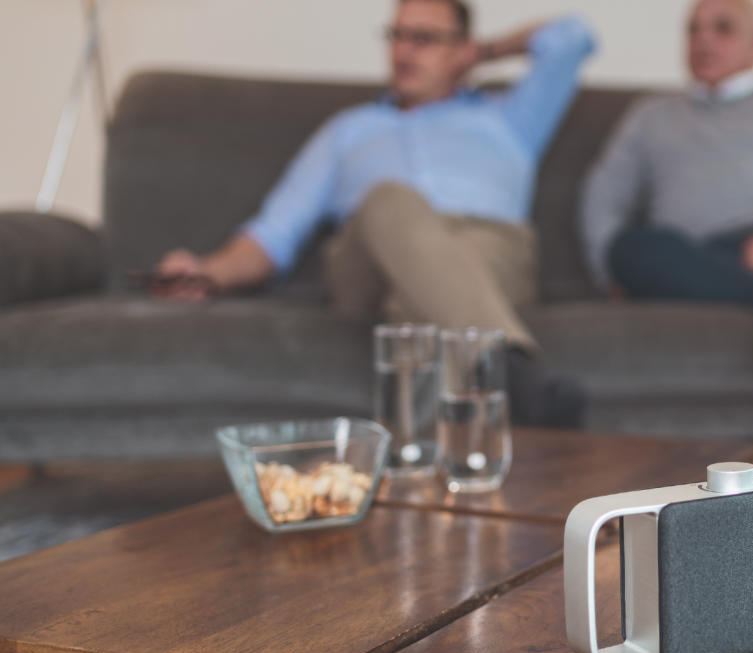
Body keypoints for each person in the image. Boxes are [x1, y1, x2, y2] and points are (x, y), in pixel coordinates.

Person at [156, 0, 595, 428]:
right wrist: (206, 271)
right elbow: (273, 233)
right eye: (396, 36)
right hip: (370, 261)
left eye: (423, 39)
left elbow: (571, 36)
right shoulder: (347, 130)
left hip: (488, 249)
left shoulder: (510, 118)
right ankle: (513, 370)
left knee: (417, 296)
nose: (403, 52)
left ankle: (418, 465)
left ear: (461, 51)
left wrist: (484, 53)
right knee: (389, 198)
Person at [581, 0, 753, 417]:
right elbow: (603, 193)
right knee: (630, 249)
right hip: (689, 259)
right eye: (694, 30)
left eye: (723, 28)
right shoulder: (651, 114)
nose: (704, 40)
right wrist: (607, 272)